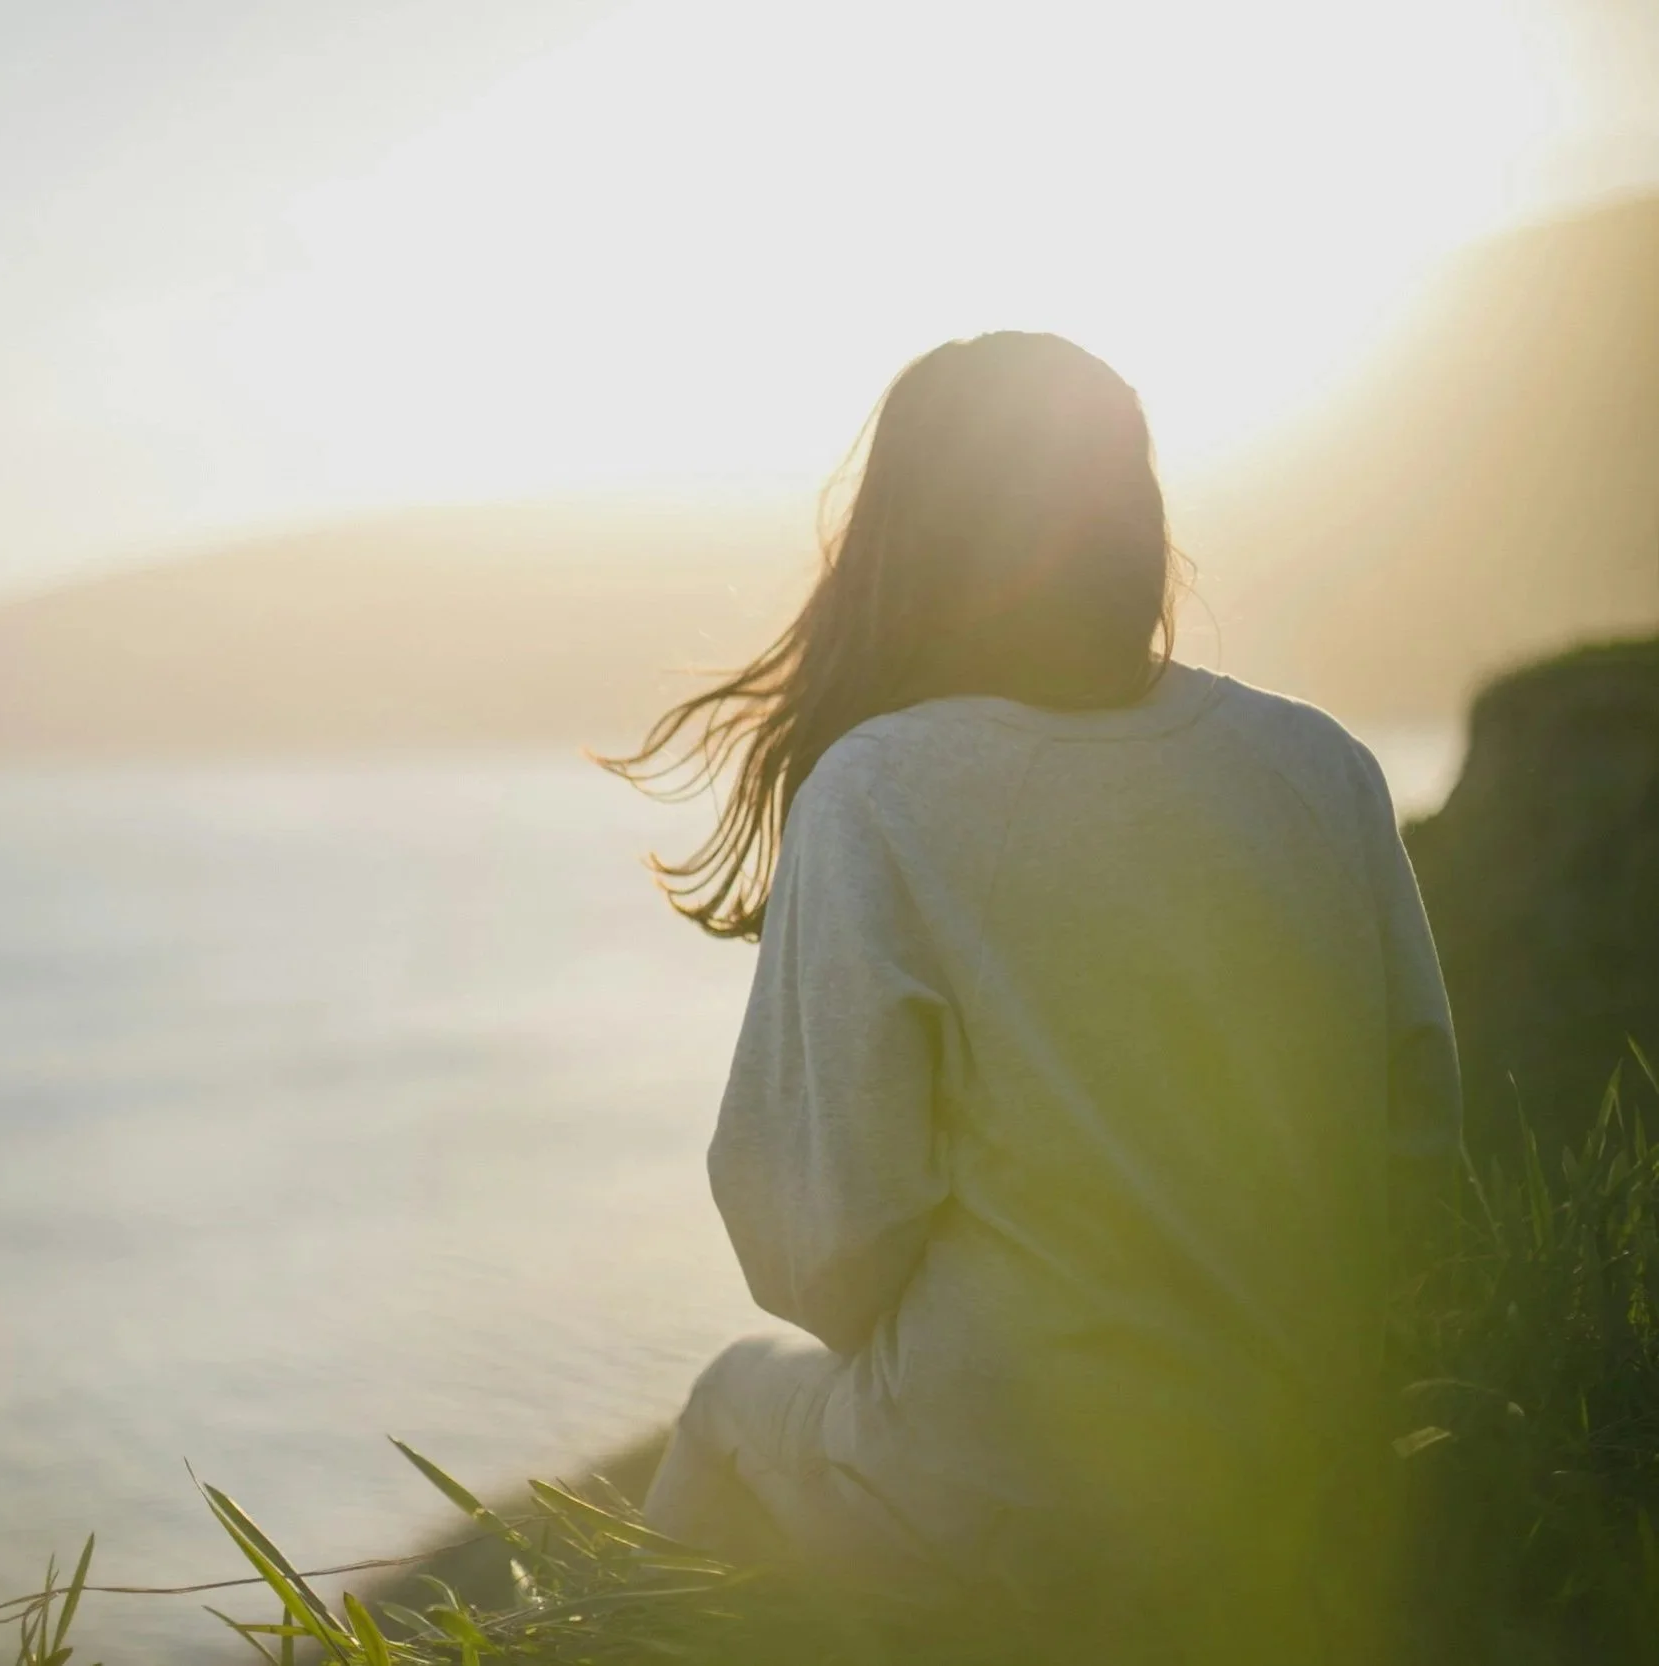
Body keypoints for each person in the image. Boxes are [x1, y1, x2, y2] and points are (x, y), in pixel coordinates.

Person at [604, 332, 1461, 1657]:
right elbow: (1415, 1154)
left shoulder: (881, 788)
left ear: (905, 536)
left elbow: (816, 1248)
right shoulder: (1320, 763)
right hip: (1304, 1474)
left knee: (729, 1403)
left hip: (1015, 1502)